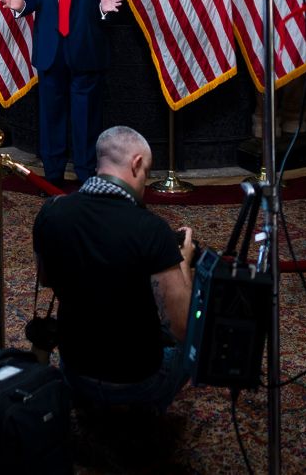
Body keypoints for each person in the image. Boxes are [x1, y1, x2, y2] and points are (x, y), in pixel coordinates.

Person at [32, 126, 195, 414]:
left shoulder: (52, 212)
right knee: (196, 331)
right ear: (135, 164)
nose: (145, 182)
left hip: (75, 371)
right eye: (146, 171)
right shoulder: (152, 230)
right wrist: (183, 260)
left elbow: (47, 278)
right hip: (138, 382)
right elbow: (180, 326)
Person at [0, 0, 123, 187]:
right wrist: (21, 5)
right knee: (51, 118)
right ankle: (52, 179)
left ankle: (86, 176)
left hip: (86, 52)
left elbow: (112, 1)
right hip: (50, 52)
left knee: (85, 119)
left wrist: (104, 8)